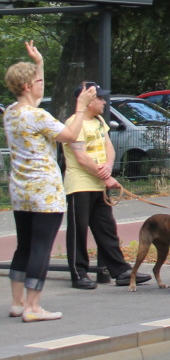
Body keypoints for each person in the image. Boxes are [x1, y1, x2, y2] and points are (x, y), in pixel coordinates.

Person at [5, 43, 93, 323]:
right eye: (39, 81)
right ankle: (34, 307)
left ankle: (18, 303)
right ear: (29, 86)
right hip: (45, 190)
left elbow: (34, 96)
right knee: (42, 247)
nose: (42, 85)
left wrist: (39, 63)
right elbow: (70, 135)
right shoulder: (39, 116)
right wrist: (80, 108)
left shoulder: (11, 112)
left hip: (21, 190)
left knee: (24, 246)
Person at [63, 82, 150, 289]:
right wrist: (105, 176)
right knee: (78, 230)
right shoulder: (75, 122)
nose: (104, 101)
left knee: (106, 228)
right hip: (80, 185)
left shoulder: (99, 120)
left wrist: (109, 167)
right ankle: (79, 273)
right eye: (100, 98)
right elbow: (81, 157)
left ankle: (120, 270)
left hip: (98, 184)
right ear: (87, 100)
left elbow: (108, 146)